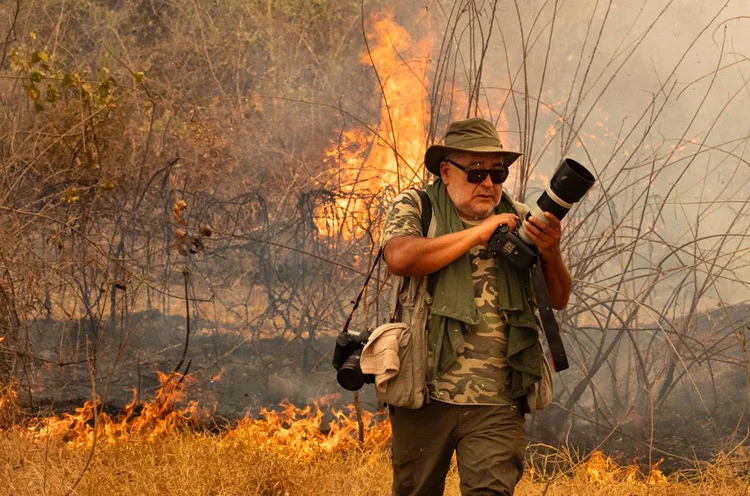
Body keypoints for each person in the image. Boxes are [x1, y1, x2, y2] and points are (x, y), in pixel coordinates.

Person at [380, 117, 572, 496]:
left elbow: (559, 299)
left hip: (498, 401)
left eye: (497, 173)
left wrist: (551, 253)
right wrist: (477, 234)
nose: (488, 184)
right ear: (447, 171)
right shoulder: (419, 206)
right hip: (424, 393)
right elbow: (399, 258)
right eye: (476, 173)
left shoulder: (518, 217)